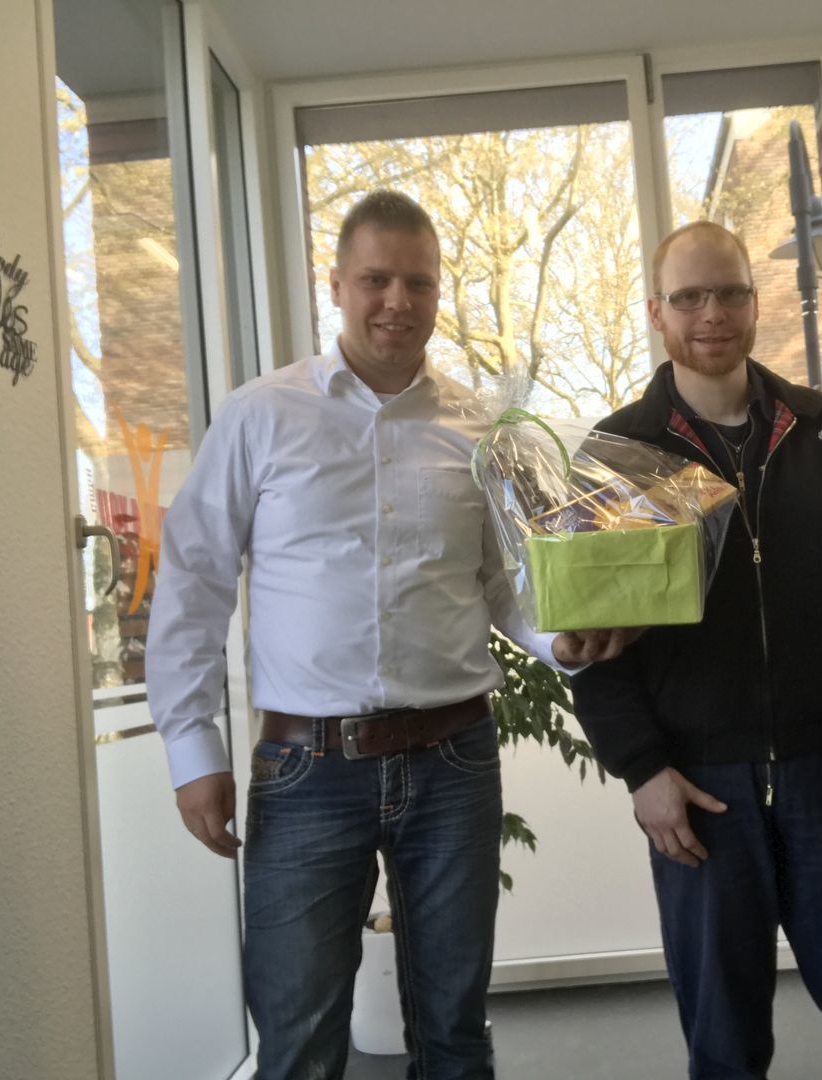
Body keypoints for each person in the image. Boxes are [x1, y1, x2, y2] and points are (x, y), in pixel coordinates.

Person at [147, 190, 627, 1080]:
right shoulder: (259, 415)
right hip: (305, 772)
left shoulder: (479, 427)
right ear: (335, 285)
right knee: (299, 1048)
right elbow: (194, 581)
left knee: (455, 1039)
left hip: (454, 763)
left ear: (439, 291)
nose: (397, 302)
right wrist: (191, 748)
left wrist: (557, 641)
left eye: (418, 283)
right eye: (375, 280)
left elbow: (500, 583)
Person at [570, 221, 822, 1079]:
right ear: (657, 312)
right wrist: (642, 769)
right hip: (700, 793)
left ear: (754, 300)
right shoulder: (619, 455)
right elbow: (592, 641)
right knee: (726, 1048)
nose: (713, 314)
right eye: (689, 297)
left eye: (730, 292)